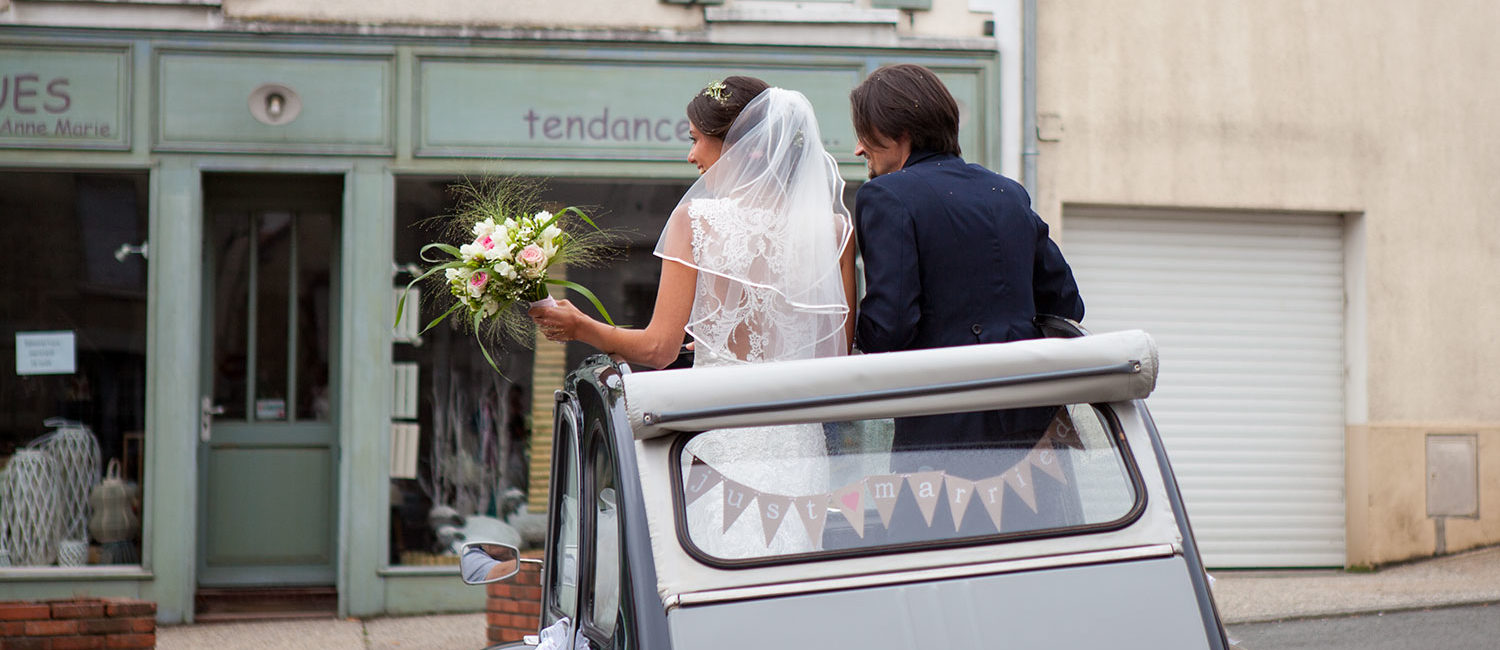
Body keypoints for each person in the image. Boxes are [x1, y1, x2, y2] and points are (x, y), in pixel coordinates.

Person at [530, 76, 856, 556]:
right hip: (801, 453)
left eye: (696, 139)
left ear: (748, 148)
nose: (691, 156)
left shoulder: (697, 222)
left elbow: (659, 350)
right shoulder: (834, 231)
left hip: (723, 447)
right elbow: (837, 355)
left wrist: (582, 327)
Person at [849, 63, 1085, 537]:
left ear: (901, 133)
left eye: (866, 135)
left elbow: (890, 326)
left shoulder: (887, 196)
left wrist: (850, 340)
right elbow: (1066, 302)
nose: (858, 148)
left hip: (942, 439)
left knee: (937, 578)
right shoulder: (1007, 193)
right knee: (1037, 570)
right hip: (1034, 441)